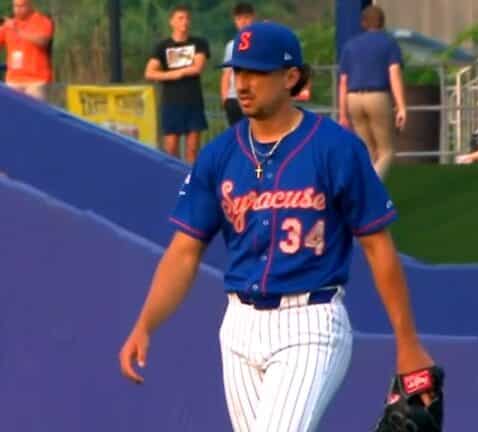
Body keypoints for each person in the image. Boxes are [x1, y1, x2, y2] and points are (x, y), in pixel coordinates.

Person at [118, 21, 436, 431]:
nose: (243, 83)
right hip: (239, 326)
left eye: (256, 72)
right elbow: (184, 250)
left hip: (311, 321)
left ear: (290, 78)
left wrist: (407, 343)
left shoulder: (336, 148)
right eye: (238, 72)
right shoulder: (220, 154)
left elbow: (378, 247)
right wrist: (145, 324)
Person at [338, 5, 406, 179]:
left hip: (353, 98)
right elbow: (394, 74)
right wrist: (401, 106)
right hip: (377, 96)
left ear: (363, 23)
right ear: (382, 23)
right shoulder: (389, 44)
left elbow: (343, 82)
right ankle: (370, 189)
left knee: (368, 150)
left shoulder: (350, 46)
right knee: (386, 151)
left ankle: (364, 187)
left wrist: (343, 113)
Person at [145, 5, 210, 163]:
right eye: (180, 18)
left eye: (187, 18)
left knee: (192, 148)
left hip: (193, 101)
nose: (184, 22)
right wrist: (172, 74)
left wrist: (179, 72)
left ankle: (191, 182)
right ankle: (172, 181)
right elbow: (150, 72)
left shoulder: (199, 43)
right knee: (171, 147)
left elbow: (197, 67)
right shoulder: (162, 47)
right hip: (172, 102)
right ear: (172, 22)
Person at [0, 0, 54, 101]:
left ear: (30, 5)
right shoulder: (9, 25)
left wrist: (18, 31)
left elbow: (43, 41)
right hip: (13, 79)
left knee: (35, 114)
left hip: (36, 80)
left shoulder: (42, 21)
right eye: (15, 6)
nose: (18, 10)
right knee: (13, 114)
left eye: (21, 6)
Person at [221, 3, 256, 127]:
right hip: (233, 98)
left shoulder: (260, 42)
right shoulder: (231, 45)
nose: (243, 22)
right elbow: (226, 73)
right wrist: (225, 98)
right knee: (237, 136)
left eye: (246, 17)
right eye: (239, 18)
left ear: (253, 18)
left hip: (254, 97)